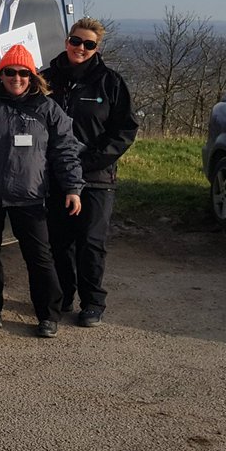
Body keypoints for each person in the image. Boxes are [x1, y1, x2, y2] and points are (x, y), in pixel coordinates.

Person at [0, 44, 83, 338]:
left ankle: (47, 315)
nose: (17, 78)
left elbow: (65, 150)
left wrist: (72, 187)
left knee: (40, 258)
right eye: (10, 72)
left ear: (32, 76)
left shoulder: (47, 109)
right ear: (0, 76)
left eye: (23, 73)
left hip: (30, 195)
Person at [40, 18, 139, 327]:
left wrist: (89, 162)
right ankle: (64, 296)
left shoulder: (110, 83)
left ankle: (93, 302)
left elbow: (124, 130)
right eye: (75, 41)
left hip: (96, 179)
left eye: (88, 44)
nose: (80, 48)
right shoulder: (46, 79)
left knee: (90, 242)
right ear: (67, 40)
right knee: (59, 241)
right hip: (54, 177)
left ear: (97, 47)